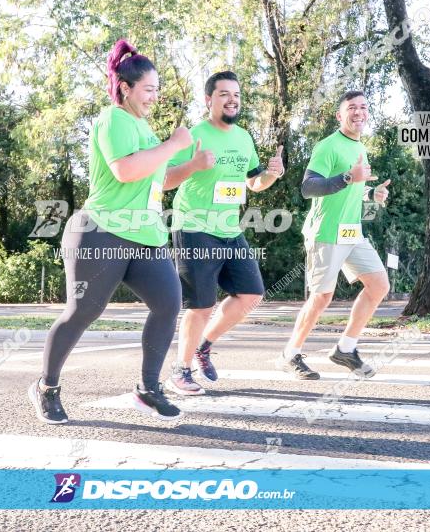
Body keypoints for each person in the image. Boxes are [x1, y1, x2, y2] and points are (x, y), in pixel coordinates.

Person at [29, 39, 192, 423]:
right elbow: (125, 170)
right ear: (125, 87)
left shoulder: (144, 128)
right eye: (149, 89)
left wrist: (194, 164)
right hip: (102, 231)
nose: (155, 96)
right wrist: (173, 144)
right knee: (84, 310)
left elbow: (157, 181)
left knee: (169, 304)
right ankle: (46, 387)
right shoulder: (112, 119)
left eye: (157, 89)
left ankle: (149, 388)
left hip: (146, 235)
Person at [163, 71, 284, 395]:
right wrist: (193, 165)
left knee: (251, 294)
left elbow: (252, 182)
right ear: (208, 100)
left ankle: (204, 346)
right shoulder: (192, 136)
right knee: (201, 305)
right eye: (224, 94)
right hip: (194, 228)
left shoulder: (244, 138)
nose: (232, 100)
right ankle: (180, 371)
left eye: (236, 95)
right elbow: (161, 180)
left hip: (229, 229)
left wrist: (271, 176)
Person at [279, 90, 390, 379]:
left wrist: (371, 193)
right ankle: (291, 354)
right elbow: (309, 187)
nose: (358, 112)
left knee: (379, 285)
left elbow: (352, 187)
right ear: (339, 115)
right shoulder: (327, 146)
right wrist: (348, 177)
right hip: (327, 233)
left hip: (353, 232)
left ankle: (346, 349)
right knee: (321, 298)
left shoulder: (360, 148)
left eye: (363, 107)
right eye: (351, 107)